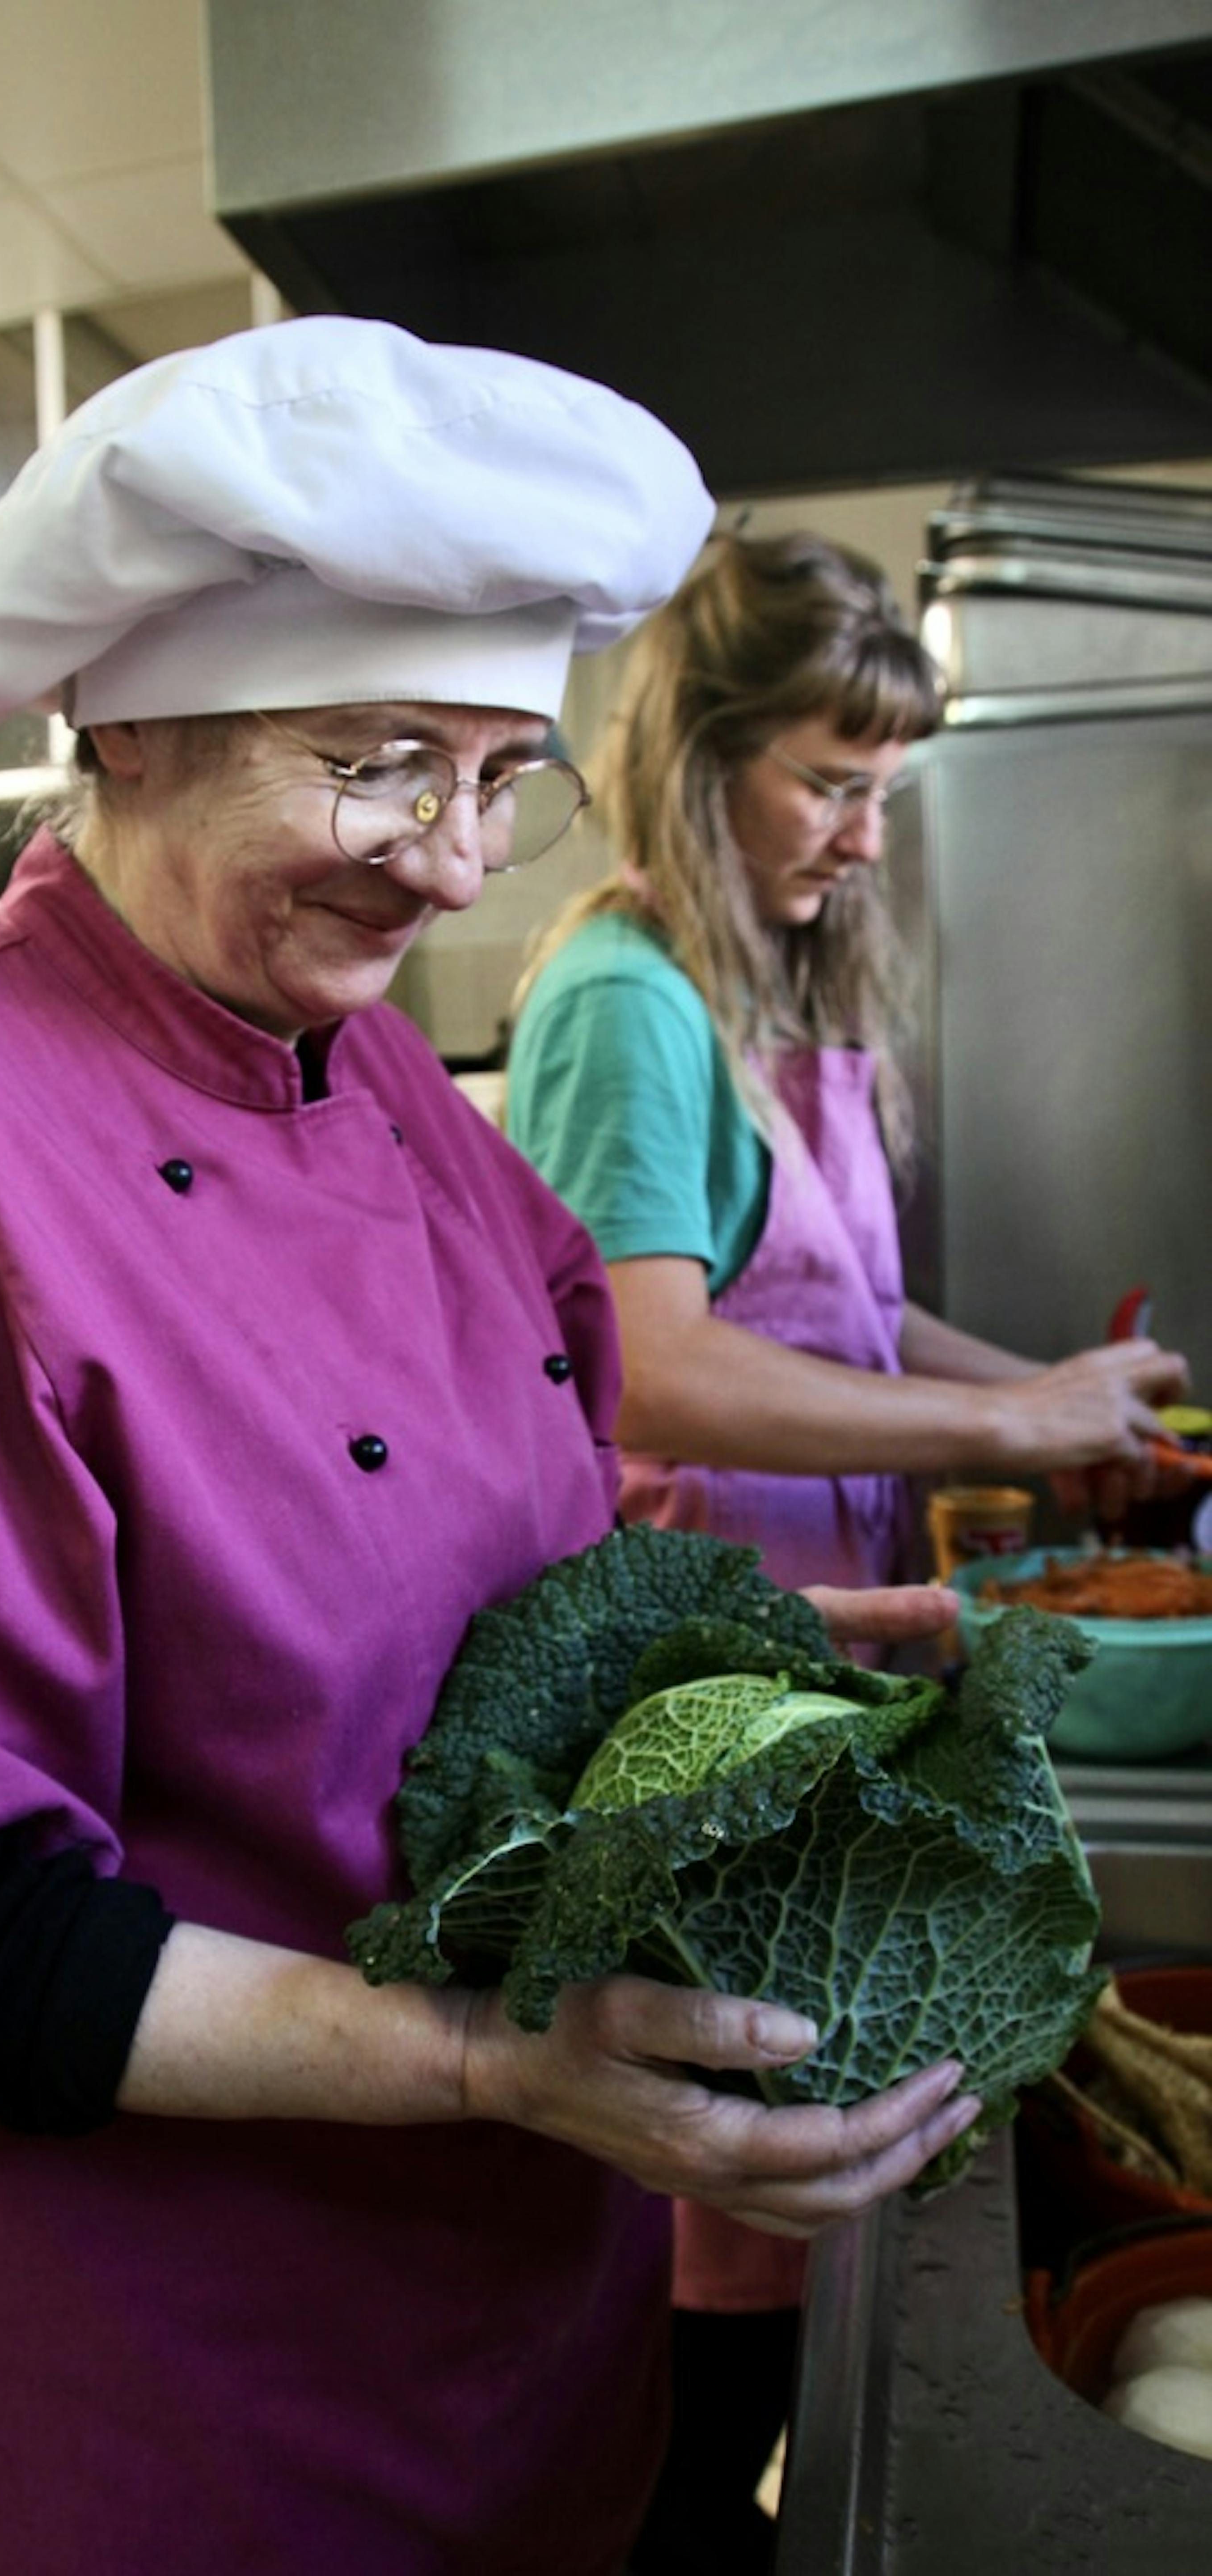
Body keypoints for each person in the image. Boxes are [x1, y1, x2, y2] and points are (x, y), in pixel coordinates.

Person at [0, 328, 983, 2576]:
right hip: (161, 2392)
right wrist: (479, 2057)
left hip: (521, 2316)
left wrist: (769, 1648)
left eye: (499, 778)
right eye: (380, 769)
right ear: (136, 728)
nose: (455, 870)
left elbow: (505, 1570)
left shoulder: (369, 1081)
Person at [503, 527, 1189, 2572]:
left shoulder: (758, 1000)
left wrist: (1061, 1391)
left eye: (884, 789)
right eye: (830, 782)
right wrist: (1003, 1425)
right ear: (696, 761)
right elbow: (653, 1370)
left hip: (818, 1700)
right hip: (706, 1722)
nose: (867, 837)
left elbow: (844, 1333)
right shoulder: (628, 1003)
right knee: (712, 2282)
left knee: (793, 2229)